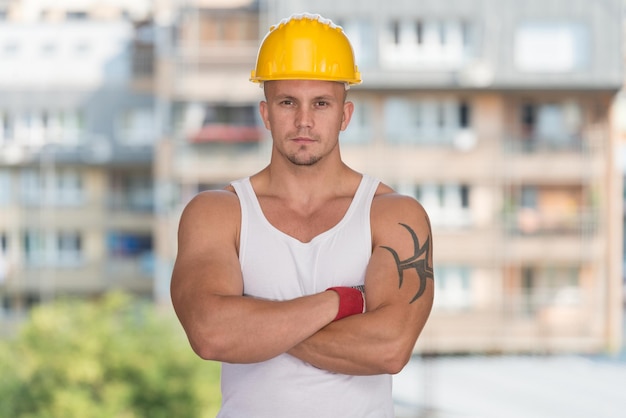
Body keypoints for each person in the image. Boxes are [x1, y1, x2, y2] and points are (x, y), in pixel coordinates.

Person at [170, 13, 434, 417]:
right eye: (288, 102)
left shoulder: (394, 216)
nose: (304, 121)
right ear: (266, 114)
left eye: (322, 103)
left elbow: (390, 348)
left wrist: (255, 324)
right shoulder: (217, 213)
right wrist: (341, 302)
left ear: (345, 115)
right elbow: (211, 334)